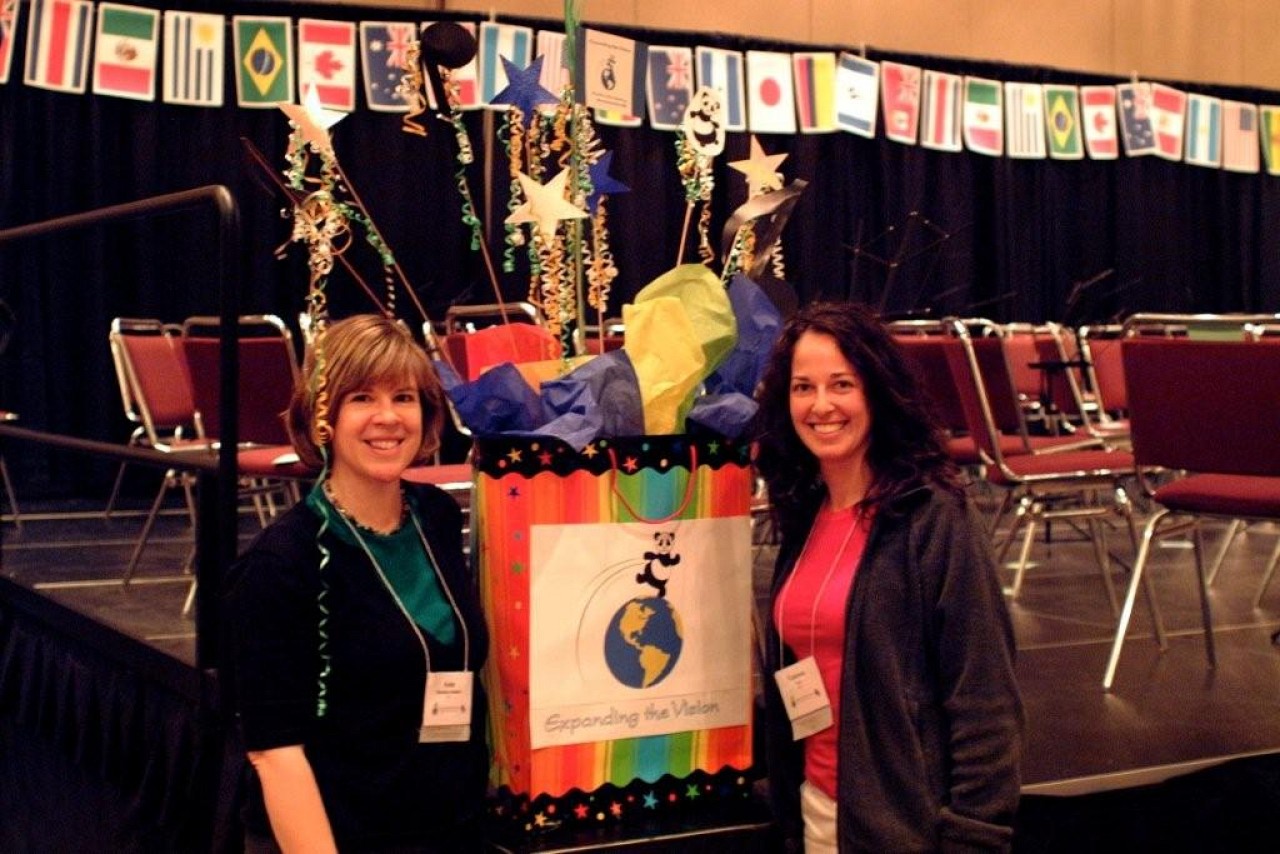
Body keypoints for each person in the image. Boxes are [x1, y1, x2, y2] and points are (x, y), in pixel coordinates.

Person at [752, 302, 1023, 852]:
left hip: (905, 832)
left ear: (876, 392)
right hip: (815, 817)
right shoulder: (806, 512)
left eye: (841, 384)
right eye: (803, 388)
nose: (821, 405)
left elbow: (985, 702)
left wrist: (973, 838)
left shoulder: (934, 517)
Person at [224, 314, 488, 852]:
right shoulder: (282, 562)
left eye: (405, 398)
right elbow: (275, 753)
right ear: (323, 417)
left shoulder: (434, 515)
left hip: (447, 828)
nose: (388, 418)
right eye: (362, 398)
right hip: (338, 835)